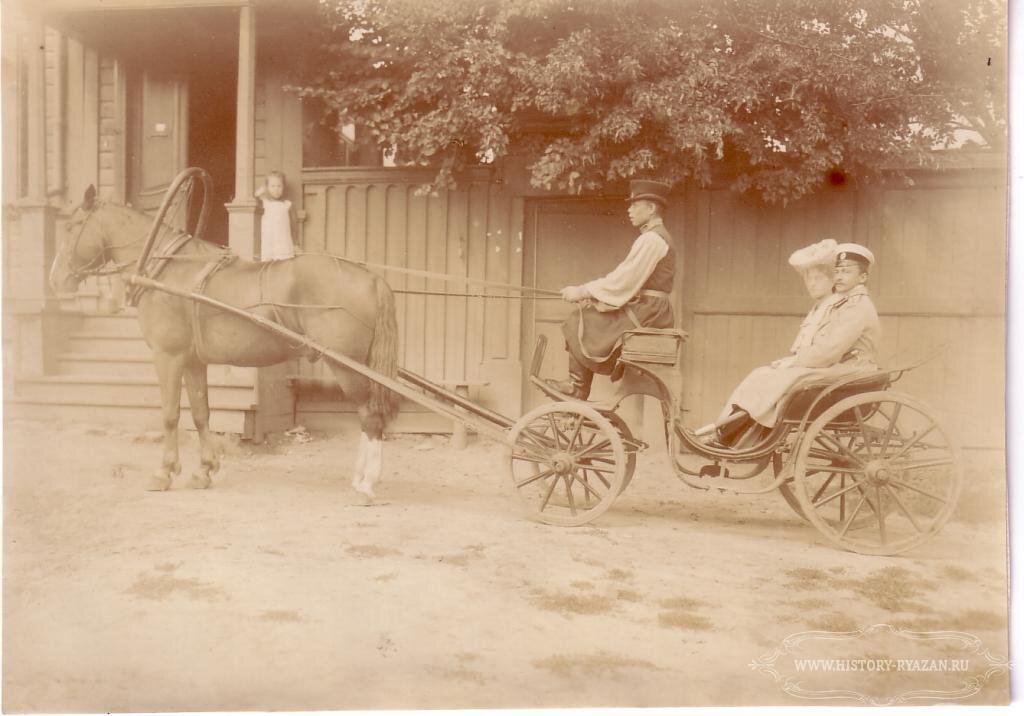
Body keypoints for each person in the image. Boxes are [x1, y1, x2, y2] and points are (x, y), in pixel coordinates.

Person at [705, 242, 881, 448]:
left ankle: (735, 436)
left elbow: (828, 353)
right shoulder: (844, 302)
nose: (839, 277)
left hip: (851, 370)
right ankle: (730, 434)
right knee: (764, 375)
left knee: (783, 379)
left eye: (847, 272)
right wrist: (794, 361)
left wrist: (796, 361)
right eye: (837, 271)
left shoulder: (857, 307)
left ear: (862, 278)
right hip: (838, 367)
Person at [546, 179, 676, 400]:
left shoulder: (652, 239)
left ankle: (576, 387)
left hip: (649, 311)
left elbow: (624, 280)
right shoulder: (651, 237)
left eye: (635, 205)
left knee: (578, 319)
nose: (629, 209)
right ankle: (577, 386)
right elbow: (624, 279)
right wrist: (592, 296)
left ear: (652, 209)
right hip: (647, 308)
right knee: (586, 315)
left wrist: (583, 291)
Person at [255, 170, 297, 261]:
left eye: (279, 186)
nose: (276, 189)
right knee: (268, 261)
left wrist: (295, 244)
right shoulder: (265, 202)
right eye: (273, 186)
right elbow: (254, 197)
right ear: (267, 187)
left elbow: (293, 225)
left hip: (282, 238)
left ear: (283, 187)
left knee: (283, 261)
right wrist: (262, 190)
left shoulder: (287, 204)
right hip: (269, 238)